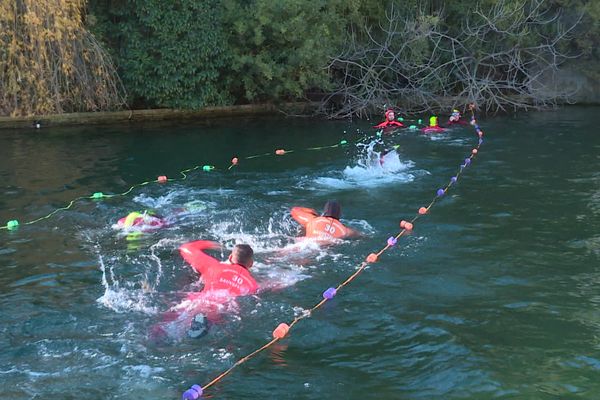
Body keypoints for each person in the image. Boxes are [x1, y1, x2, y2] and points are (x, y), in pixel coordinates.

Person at [179, 241, 258, 297]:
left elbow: (186, 248)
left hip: (199, 301)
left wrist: (211, 244)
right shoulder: (252, 285)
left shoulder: (214, 267)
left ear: (230, 257)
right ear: (251, 263)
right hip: (223, 310)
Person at [291, 200, 361, 241]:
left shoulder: (313, 220)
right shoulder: (344, 230)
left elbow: (295, 210)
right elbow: (359, 235)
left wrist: (312, 211)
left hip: (306, 243)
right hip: (325, 248)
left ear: (324, 212)